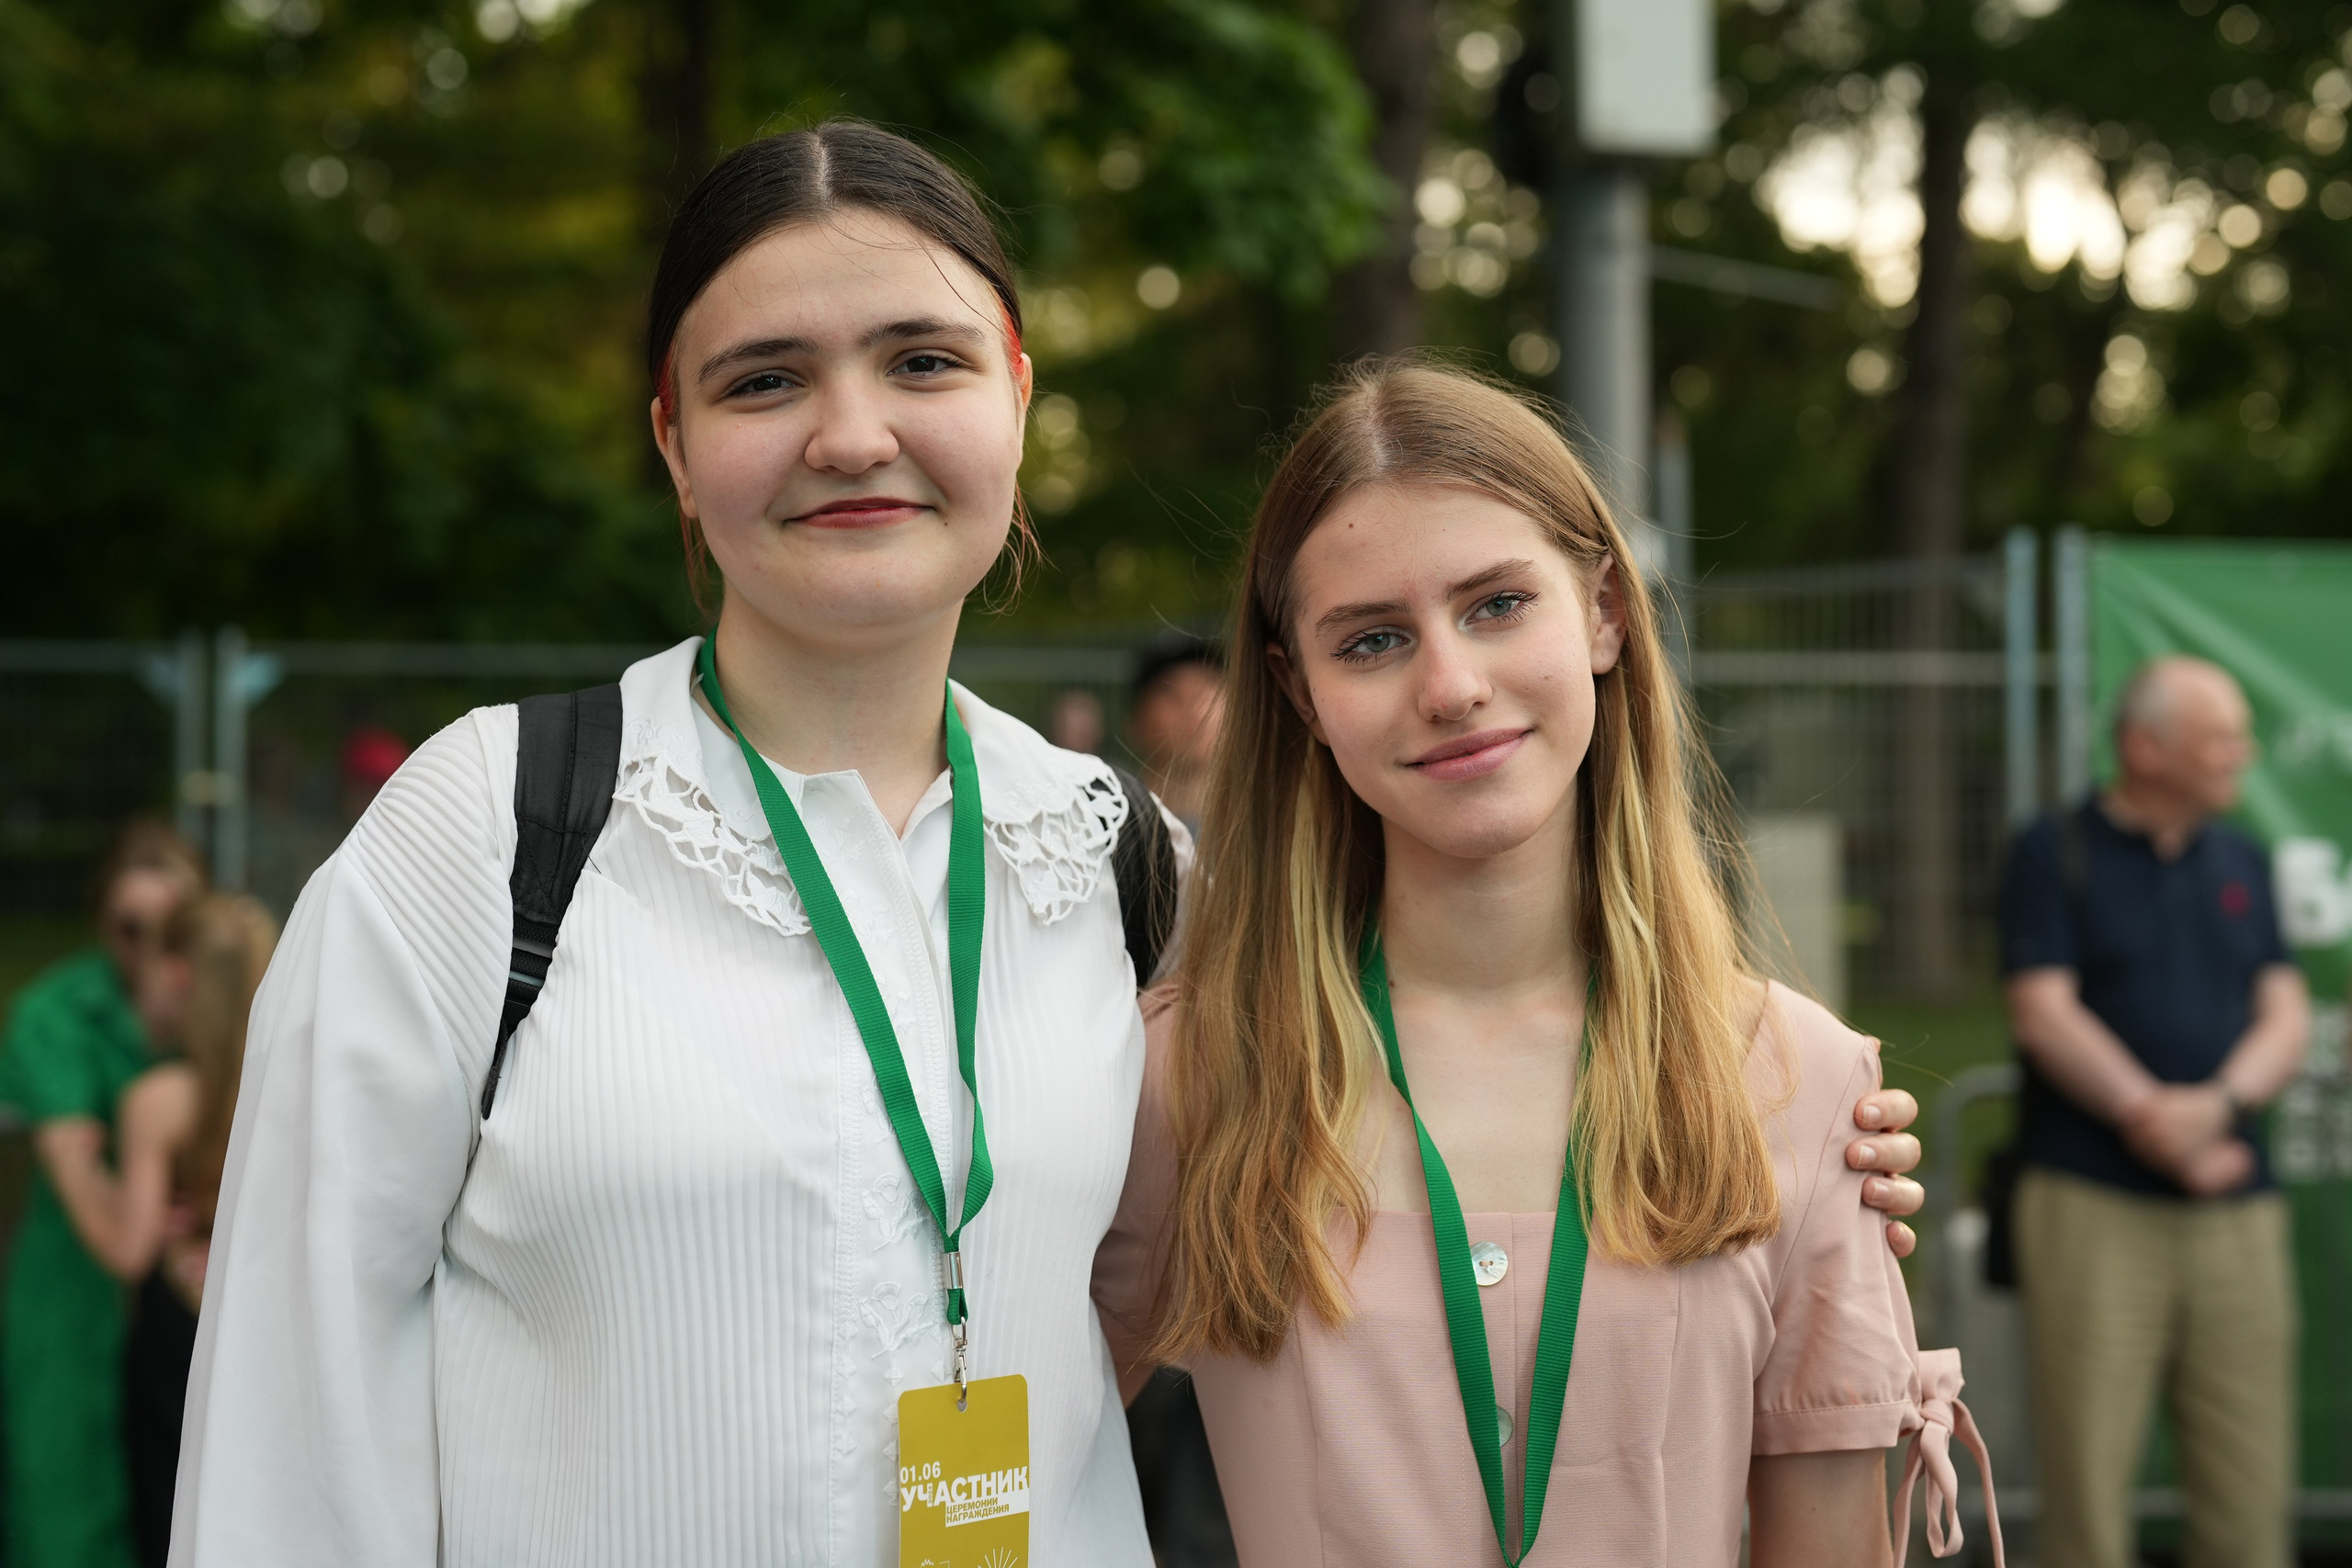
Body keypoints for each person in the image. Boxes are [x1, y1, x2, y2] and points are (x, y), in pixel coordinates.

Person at [172, 128, 1924, 1567]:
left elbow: (1416, 1125)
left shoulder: (1126, 867)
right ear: (674, 443)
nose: (853, 433)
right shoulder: (492, 832)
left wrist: (1795, 1135)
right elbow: (287, 1414)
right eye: (765, 378)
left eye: (922, 361)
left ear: (1014, 395)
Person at [1094, 363, 1977, 1568]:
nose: (1451, 684)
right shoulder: (1188, 1070)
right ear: (1301, 690)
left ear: (1606, 612)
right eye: (1374, 639)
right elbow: (1004, 1437)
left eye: (1498, 604)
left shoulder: (1798, 1082)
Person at [2001, 655, 2309, 1568]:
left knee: (2251, 1505)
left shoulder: (2241, 859)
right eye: (2219, 737)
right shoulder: (2051, 849)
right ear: (2143, 747)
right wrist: (2160, 1127)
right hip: (2090, 1210)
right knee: (2087, 1504)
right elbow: (2043, 1012)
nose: (2240, 754)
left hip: (2237, 1217)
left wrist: (2215, 1107)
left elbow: (2285, 1012)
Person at [29, 895, 276, 1566]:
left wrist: (76, 1165)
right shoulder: (294, 1085)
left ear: (177, 977)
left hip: (175, 1338)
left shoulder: (158, 1100)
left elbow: (130, 1249)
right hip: (262, 1324)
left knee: (171, 1516)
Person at [0, 818, 202, 1568]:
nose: (151, 945)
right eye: (130, 926)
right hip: (74, 1298)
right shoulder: (55, 1013)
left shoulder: (218, 1011)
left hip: (181, 1307)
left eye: (173, 926)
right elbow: (107, 1227)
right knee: (67, 1515)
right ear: (100, 922)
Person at [1125, 635, 1224, 833]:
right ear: (1135, 722)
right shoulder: (1109, 825)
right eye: (1172, 693)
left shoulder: (1272, 820)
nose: (1195, 710)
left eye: (1207, 689)